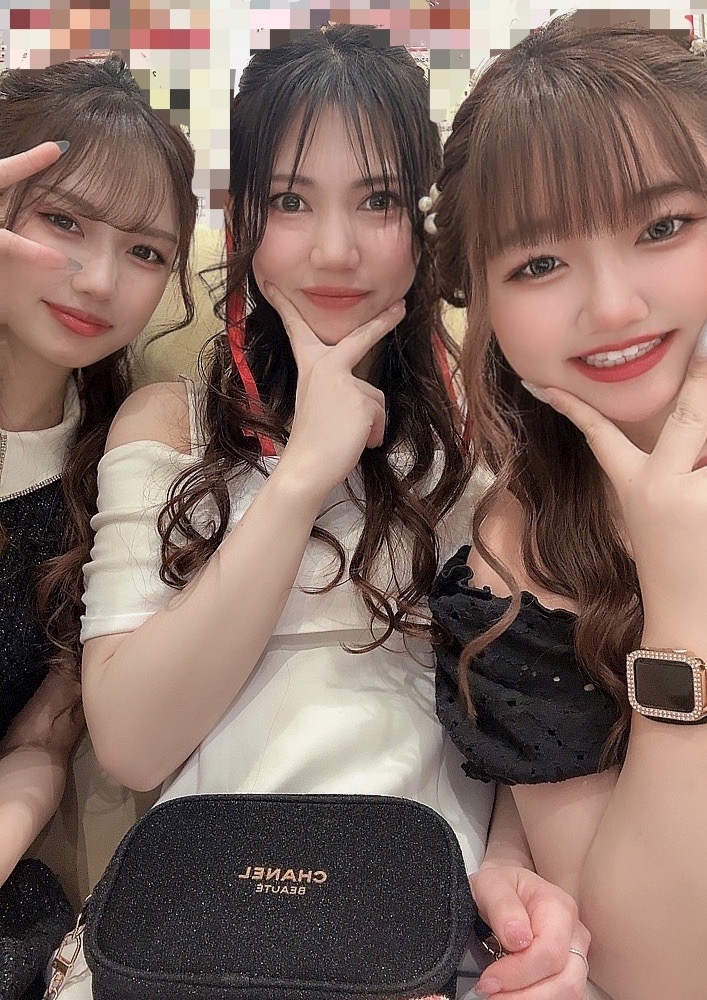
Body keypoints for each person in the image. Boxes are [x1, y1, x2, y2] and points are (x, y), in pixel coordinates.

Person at [59, 25, 588, 1000]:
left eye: (377, 200)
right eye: (291, 201)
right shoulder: (168, 423)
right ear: (244, 218)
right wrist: (302, 474)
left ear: (425, 223)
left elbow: (531, 716)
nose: (335, 249)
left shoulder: (496, 435)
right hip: (199, 927)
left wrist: (518, 876)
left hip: (422, 925)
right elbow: (131, 743)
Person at [428, 14, 707, 1000]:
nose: (613, 306)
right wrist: (681, 607)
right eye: (538, 264)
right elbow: (654, 971)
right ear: (483, 305)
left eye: (662, 226)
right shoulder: (519, 557)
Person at [0, 54, 196, 997]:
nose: (98, 278)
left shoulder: (120, 466)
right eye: (63, 221)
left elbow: (42, 734)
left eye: (146, 252)